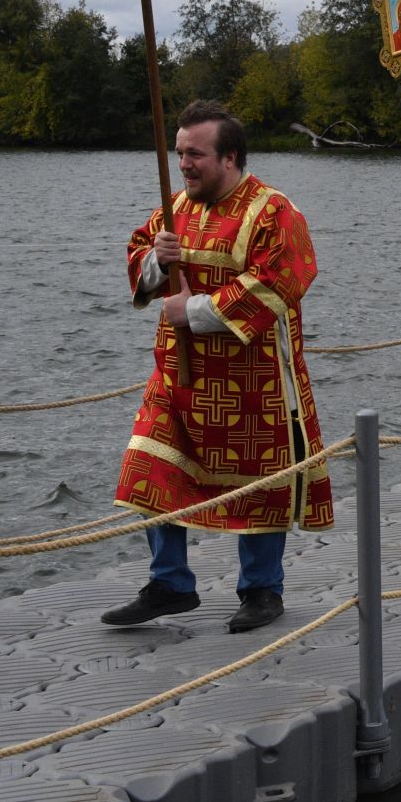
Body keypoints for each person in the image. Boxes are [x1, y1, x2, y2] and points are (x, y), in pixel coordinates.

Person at [103, 102, 331, 634]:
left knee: (257, 485)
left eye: (195, 154)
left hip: (253, 383)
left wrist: (196, 312)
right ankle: (170, 583)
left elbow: (284, 280)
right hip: (178, 379)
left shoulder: (275, 212)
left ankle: (261, 589)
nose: (184, 164)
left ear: (229, 157)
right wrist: (158, 260)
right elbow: (138, 255)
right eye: (180, 152)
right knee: (148, 469)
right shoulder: (175, 206)